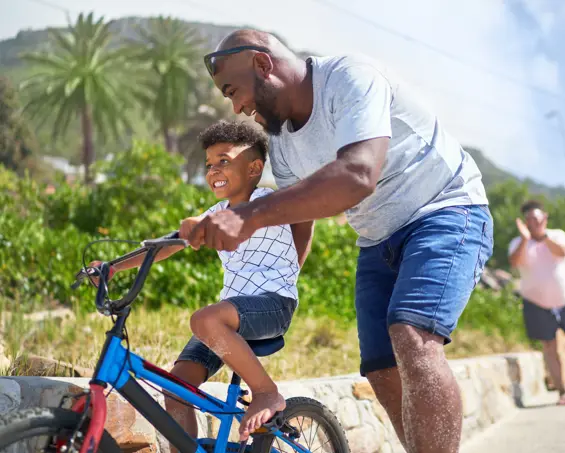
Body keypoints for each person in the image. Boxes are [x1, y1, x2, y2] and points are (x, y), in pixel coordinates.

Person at [186, 29, 494, 453]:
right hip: (375, 237)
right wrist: (278, 285)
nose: (237, 107)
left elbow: (357, 174)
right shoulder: (281, 143)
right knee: (380, 367)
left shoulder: (351, 78)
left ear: (262, 64)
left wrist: (249, 216)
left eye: (233, 90)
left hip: (444, 210)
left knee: (412, 335)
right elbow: (302, 213)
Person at [89, 120, 301, 444]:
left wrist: (201, 222)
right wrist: (113, 268)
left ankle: (266, 392)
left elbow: (242, 216)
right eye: (209, 165)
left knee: (204, 318)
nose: (214, 170)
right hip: (229, 317)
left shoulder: (265, 200)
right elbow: (166, 246)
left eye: (224, 161)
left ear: (255, 168)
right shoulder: (217, 210)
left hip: (273, 304)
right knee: (175, 390)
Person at [508, 200, 565, 406]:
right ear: (525, 222)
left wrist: (542, 237)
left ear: (545, 218)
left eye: (538, 218)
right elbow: (514, 263)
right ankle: (562, 391)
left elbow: (563, 252)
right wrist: (525, 239)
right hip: (536, 303)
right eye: (530, 219)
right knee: (550, 347)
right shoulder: (517, 243)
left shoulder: (558, 235)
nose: (535, 222)